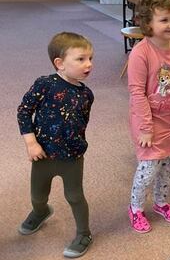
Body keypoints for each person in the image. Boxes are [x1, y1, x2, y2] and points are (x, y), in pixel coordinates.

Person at [17, 32, 95, 258]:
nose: (89, 64)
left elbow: (82, 123)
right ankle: (41, 212)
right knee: (37, 196)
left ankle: (84, 233)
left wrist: (77, 144)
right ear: (59, 63)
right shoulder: (44, 84)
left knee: (74, 196)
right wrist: (31, 142)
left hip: (72, 157)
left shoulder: (87, 94)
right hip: (42, 154)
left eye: (90, 58)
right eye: (81, 59)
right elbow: (24, 111)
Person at [127, 0, 170, 233]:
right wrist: (145, 127)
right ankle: (135, 208)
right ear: (148, 25)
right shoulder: (141, 53)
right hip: (147, 122)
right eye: (164, 20)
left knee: (168, 166)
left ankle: (161, 203)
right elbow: (137, 93)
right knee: (148, 170)